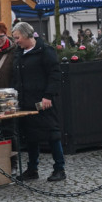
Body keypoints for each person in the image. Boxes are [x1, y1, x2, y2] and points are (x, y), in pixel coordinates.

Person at [12, 21, 66, 182]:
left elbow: (54, 74)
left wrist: (48, 95)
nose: (16, 41)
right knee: (30, 136)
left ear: (26, 35)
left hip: (43, 101)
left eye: (17, 37)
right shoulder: (19, 53)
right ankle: (32, 169)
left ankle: (59, 168)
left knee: (52, 133)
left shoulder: (45, 51)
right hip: (25, 102)